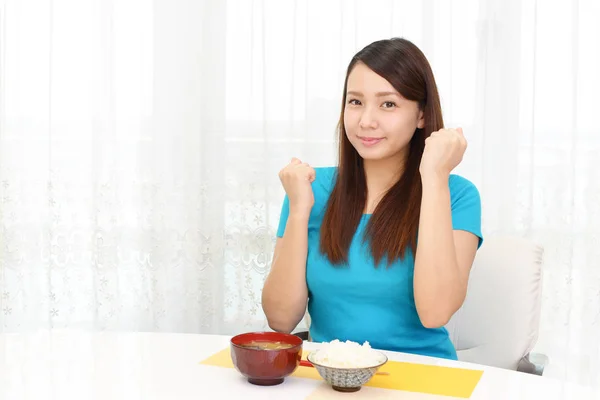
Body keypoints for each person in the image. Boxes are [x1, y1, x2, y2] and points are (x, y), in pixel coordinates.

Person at [261, 37, 483, 360]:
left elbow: (435, 312)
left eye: (388, 104)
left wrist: (434, 177)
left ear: (421, 115)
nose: (366, 120)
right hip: (331, 377)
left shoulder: (458, 195)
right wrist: (298, 210)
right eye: (355, 102)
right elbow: (280, 320)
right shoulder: (311, 188)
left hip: (422, 379)